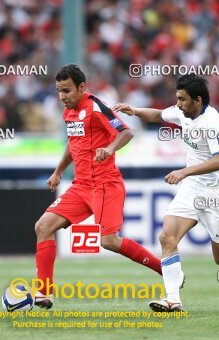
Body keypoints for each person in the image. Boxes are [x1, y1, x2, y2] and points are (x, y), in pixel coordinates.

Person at [112, 74, 219, 312]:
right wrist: (134, 110)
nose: (179, 104)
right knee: (167, 237)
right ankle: (173, 299)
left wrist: (184, 171)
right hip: (192, 189)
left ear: (198, 100)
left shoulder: (213, 122)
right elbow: (158, 115)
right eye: (177, 99)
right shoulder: (184, 112)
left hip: (215, 194)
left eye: (182, 99)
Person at [34, 64, 171, 309]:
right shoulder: (69, 112)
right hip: (81, 186)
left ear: (82, 87)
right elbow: (73, 143)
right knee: (43, 226)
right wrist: (58, 171)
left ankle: (167, 270)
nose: (61, 97)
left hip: (105, 184)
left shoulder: (96, 107)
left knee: (108, 241)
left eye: (66, 91)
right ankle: (44, 293)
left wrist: (109, 149)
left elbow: (126, 132)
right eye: (58, 91)